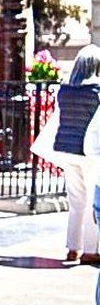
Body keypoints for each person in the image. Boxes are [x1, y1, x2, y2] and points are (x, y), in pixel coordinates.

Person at [33, 45, 100, 264]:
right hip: (89, 152)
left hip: (66, 149)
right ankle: (91, 250)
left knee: (76, 201)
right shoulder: (96, 91)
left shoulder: (65, 90)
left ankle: (73, 248)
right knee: (91, 202)